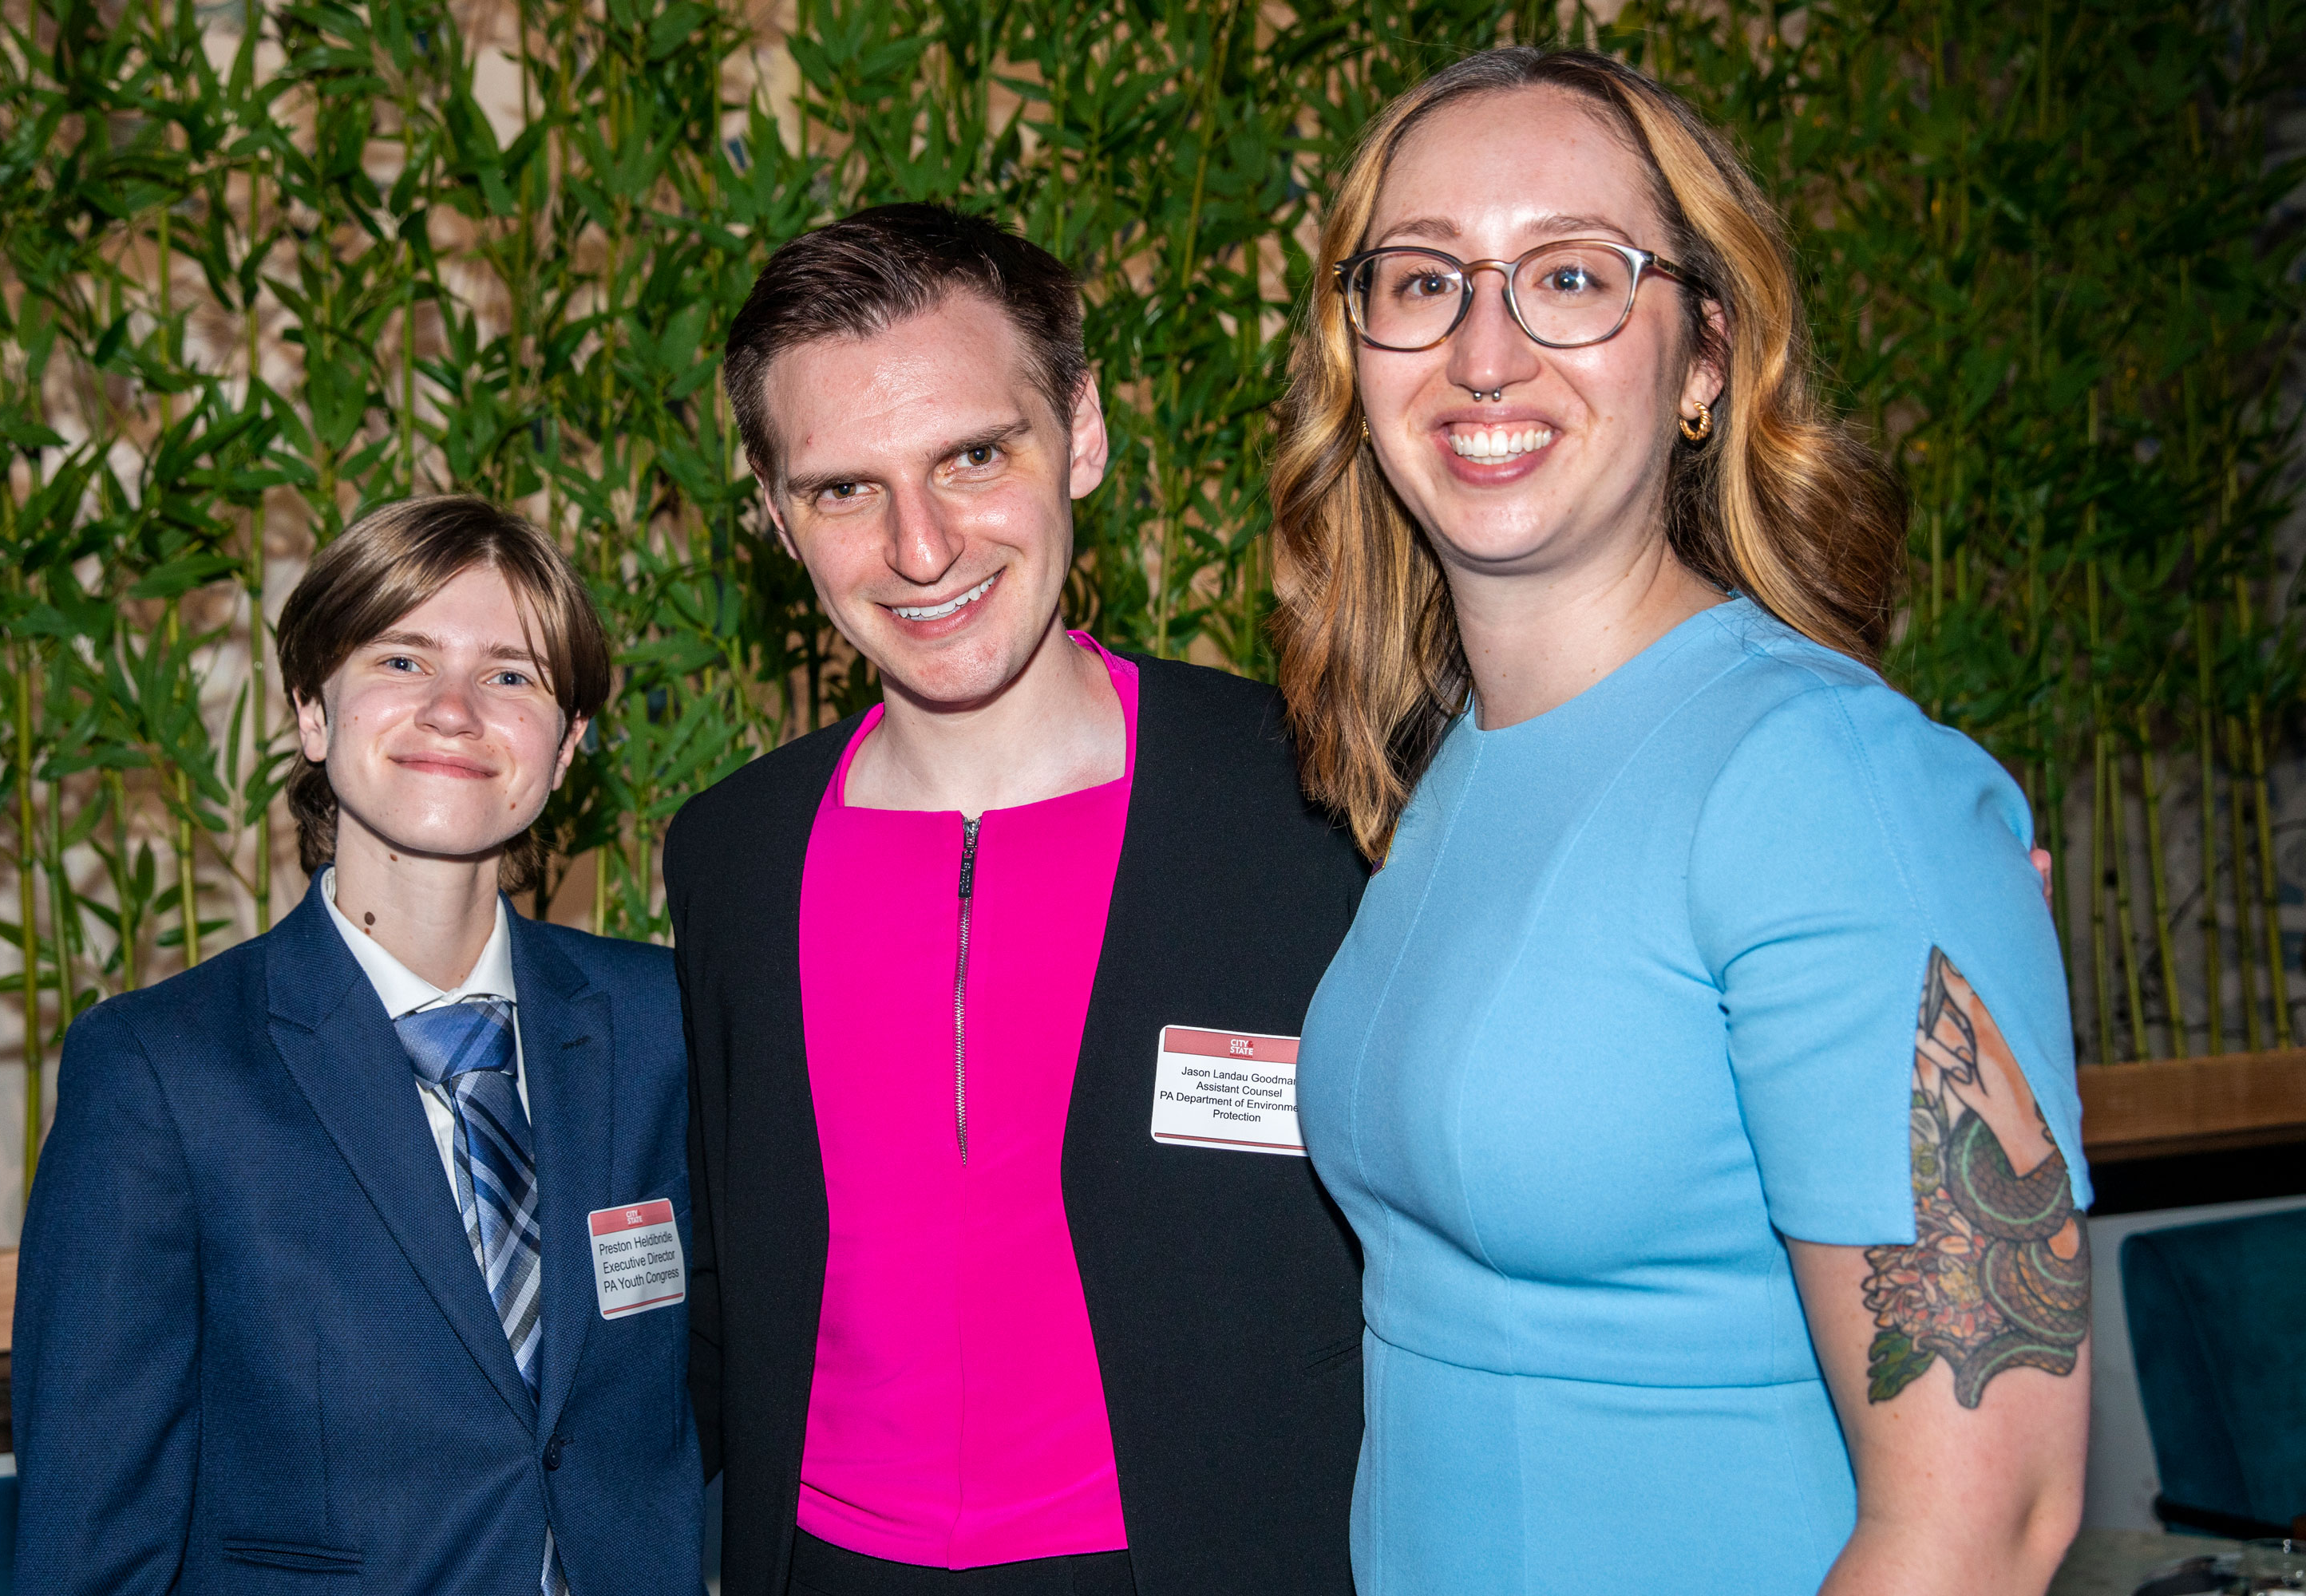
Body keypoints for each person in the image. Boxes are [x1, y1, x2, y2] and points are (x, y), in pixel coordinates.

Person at [1273, 47, 2091, 1596]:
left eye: (1572, 276)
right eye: (1423, 281)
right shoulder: (1446, 763)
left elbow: (1991, 1520)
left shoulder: (1826, 786)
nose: (1486, 352)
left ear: (1704, 357)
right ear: (1358, 349)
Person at [663, 203, 1367, 1596]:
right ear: (769, 509)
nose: (922, 550)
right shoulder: (731, 855)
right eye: (843, 489)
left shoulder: (1317, 798)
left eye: (973, 457)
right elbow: (729, 1302)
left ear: (1083, 435)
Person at [12, 497, 703, 1594]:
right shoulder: (158, 1074)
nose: (455, 710)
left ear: (567, 748)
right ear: (314, 717)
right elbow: (90, 1538)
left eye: (513, 675)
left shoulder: (666, 1025)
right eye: (401, 659)